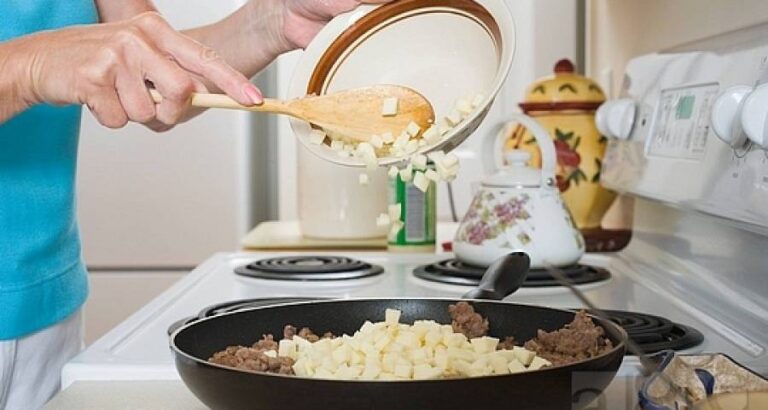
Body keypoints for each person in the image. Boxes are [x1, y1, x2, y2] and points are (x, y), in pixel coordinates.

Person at [0, 0, 391, 408]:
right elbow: (44, 62)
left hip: (47, 313)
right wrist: (26, 66)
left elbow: (158, 77)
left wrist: (271, 21)